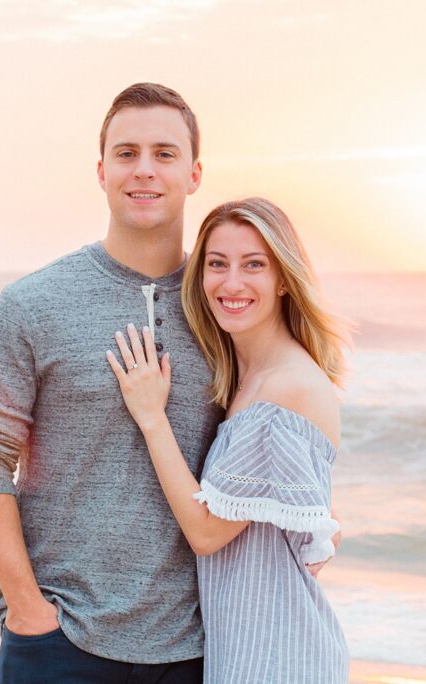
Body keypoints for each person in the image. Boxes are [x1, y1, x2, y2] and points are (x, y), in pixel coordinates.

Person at [0, 83, 223, 683]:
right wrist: (27, 607)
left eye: (164, 153)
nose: (143, 170)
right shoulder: (32, 304)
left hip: (199, 648)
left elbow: (274, 421)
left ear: (195, 173)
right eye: (126, 154)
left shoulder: (225, 308)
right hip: (58, 641)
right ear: (101, 171)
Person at [107, 197, 350, 683]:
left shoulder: (286, 386)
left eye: (254, 265)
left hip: (277, 656)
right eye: (217, 264)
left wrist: (152, 417)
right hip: (253, 645)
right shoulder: (249, 376)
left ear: (283, 278)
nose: (231, 283)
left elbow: (205, 532)